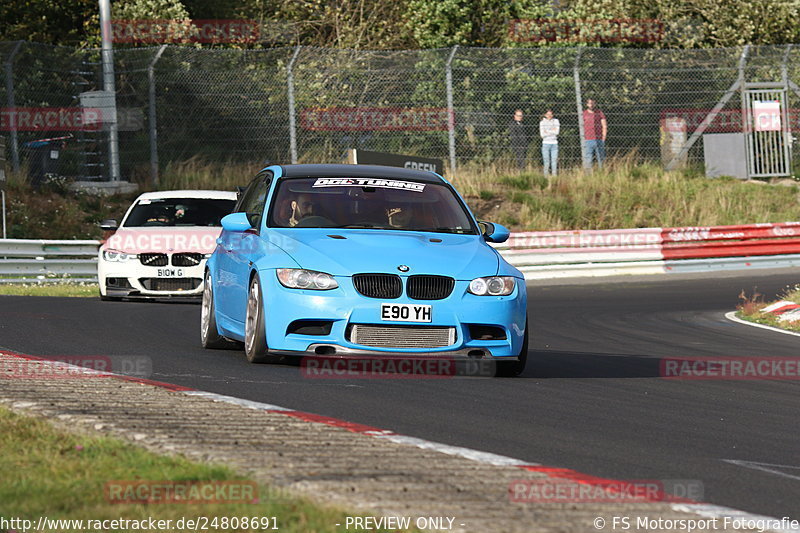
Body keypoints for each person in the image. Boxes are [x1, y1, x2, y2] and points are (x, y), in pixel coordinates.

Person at [582, 98, 607, 169]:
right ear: (587, 104)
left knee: (601, 159)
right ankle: (589, 175)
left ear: (595, 104)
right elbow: (582, 126)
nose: (591, 105)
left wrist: (603, 137)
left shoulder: (600, 113)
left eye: (593, 103)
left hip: (599, 139)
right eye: (589, 103)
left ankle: (601, 173)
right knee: (588, 159)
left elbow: (604, 125)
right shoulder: (584, 114)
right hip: (588, 139)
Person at [539, 109, 560, 176]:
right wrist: (552, 130)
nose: (549, 116)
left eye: (551, 114)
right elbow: (542, 135)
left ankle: (554, 176)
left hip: (554, 143)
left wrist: (547, 131)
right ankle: (546, 176)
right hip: (545, 143)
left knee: (554, 161)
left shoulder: (556, 121)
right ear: (545, 115)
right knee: (546, 161)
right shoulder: (542, 122)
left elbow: (557, 132)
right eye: (548, 114)